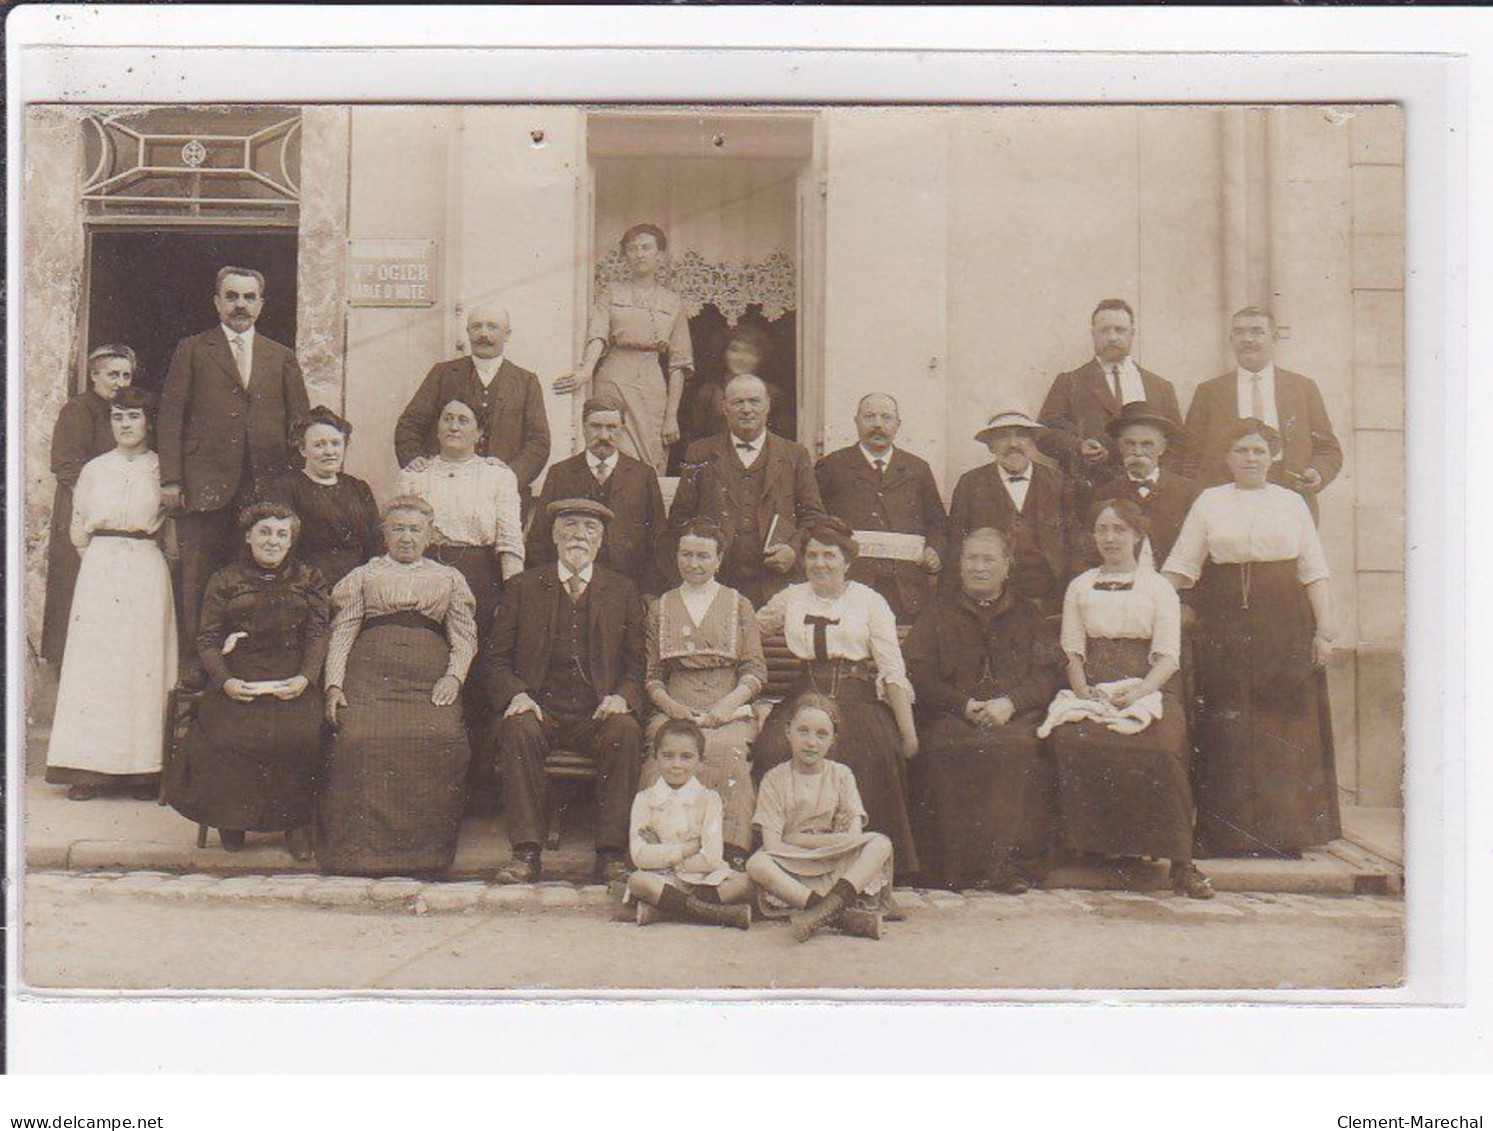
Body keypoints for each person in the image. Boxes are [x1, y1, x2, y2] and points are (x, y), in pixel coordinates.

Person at [1162, 418, 1342, 858]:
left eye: (1260, 451)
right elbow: (1181, 568)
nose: (1251, 459)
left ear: (1273, 456)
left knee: (1281, 723)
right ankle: (1225, 834)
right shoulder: (1209, 502)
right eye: (1242, 450)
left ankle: (1283, 834)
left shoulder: (1292, 502)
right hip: (1222, 621)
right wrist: (1146, 601)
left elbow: (1314, 570)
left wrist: (1326, 631)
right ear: (1227, 457)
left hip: (1284, 622)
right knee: (1227, 724)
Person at [1046, 500, 1214, 899]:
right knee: (1071, 739)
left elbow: (1169, 656)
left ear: (1137, 536)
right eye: (1102, 529)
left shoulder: (1157, 587)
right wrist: (1084, 689)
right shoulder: (1081, 585)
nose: (1109, 537)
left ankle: (1179, 862)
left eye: (1119, 529)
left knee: (1160, 748)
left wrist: (1139, 692)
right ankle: (1091, 849)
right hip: (1095, 683)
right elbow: (1072, 648)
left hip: (1150, 684)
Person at [157, 265, 310, 679]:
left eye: (248, 297)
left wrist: (291, 483)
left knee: (256, 578)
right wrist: (171, 479)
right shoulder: (192, 348)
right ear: (217, 302)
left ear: (261, 304)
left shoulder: (281, 356)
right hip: (203, 486)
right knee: (198, 579)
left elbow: (299, 424)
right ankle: (196, 671)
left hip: (263, 487)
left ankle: (251, 666)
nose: (240, 304)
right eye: (231, 296)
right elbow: (171, 415)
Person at [487, 499, 647, 886]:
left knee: (625, 733)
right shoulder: (523, 587)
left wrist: (622, 696)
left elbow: (636, 663)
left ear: (601, 540)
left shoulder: (622, 591)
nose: (579, 534)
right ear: (554, 535)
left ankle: (611, 855)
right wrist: (517, 695)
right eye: (570, 526)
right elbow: (496, 661)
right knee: (517, 729)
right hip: (542, 709)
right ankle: (526, 853)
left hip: (597, 713)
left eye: (590, 528)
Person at [317, 497, 478, 876]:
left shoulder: (449, 578)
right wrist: (335, 685)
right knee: (356, 738)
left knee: (441, 736)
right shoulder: (365, 576)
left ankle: (425, 854)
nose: (407, 538)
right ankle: (358, 852)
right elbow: (342, 632)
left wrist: (454, 676)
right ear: (385, 533)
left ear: (429, 535)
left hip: (428, 672)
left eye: (415, 530)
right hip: (370, 670)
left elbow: (465, 636)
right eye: (398, 529)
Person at [753, 518, 920, 877]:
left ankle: (867, 867)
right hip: (804, 694)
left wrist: (908, 733)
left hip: (856, 695)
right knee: (772, 750)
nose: (819, 564)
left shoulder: (869, 601)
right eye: (811, 555)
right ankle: (785, 858)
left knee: (876, 751)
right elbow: (747, 627)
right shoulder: (791, 598)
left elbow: (892, 668)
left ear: (847, 561)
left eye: (829, 556)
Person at [166, 502, 330, 860]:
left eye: (281, 534)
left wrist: (306, 678)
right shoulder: (225, 579)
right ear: (249, 536)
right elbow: (207, 639)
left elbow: (319, 633)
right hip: (240, 670)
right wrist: (225, 681)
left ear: (291, 541)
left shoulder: (309, 578)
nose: (273, 541)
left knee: (300, 734)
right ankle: (232, 819)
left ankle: (296, 824)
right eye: (265, 532)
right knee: (227, 734)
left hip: (293, 670)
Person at [903, 528, 1063, 894]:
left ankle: (1009, 867)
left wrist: (1011, 703)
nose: (978, 568)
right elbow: (919, 673)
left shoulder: (1027, 614)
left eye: (988, 560)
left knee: (1018, 749)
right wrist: (962, 705)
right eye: (971, 559)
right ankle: (951, 869)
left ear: (1006, 566)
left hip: (1013, 717)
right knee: (944, 748)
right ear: (960, 565)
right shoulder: (937, 612)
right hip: (951, 716)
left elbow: (1046, 676)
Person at [45, 387, 178, 801]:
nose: (125, 425)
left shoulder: (162, 469)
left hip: (144, 564)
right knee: (97, 663)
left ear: (148, 422)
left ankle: (143, 771)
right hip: (101, 567)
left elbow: (171, 531)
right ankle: (87, 769)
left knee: (143, 664)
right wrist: (99, 560)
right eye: (118, 417)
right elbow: (78, 523)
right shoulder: (94, 469)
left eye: (133, 417)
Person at [643, 517, 765, 867]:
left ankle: (730, 851)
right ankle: (663, 847)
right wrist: (673, 708)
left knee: (727, 752)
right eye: (686, 555)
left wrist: (726, 706)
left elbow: (755, 670)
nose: (694, 564)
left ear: (719, 559)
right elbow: (652, 676)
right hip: (676, 707)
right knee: (668, 752)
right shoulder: (661, 606)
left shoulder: (738, 603)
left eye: (703, 556)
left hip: (728, 706)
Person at [668, 374, 826, 607]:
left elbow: (814, 518)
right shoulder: (699, 453)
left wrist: (794, 551)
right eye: (737, 402)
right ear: (724, 408)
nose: (746, 409)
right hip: (716, 582)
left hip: (776, 584)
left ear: (768, 406)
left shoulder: (795, 454)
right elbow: (681, 517)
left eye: (754, 401)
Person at [746, 694, 893, 942]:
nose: (811, 742)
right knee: (757, 864)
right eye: (802, 731)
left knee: (881, 844)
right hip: (792, 865)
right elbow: (773, 846)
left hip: (834, 863)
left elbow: (852, 838)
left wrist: (796, 837)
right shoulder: (775, 778)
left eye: (821, 734)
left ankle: (822, 909)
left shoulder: (841, 775)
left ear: (833, 740)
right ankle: (836, 914)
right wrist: (818, 842)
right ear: (787, 731)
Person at [553, 224, 694, 474]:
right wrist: (586, 371)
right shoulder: (611, 293)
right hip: (614, 378)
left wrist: (671, 415)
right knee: (610, 450)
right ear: (626, 255)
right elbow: (597, 334)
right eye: (633, 248)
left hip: (652, 386)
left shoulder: (672, 302)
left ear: (659, 255)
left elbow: (679, 364)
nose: (639, 254)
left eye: (646, 248)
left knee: (651, 457)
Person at [1182, 305, 1344, 522]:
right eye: (1239, 332)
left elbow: (1328, 449)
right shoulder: (1209, 392)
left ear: (1275, 338)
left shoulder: (1302, 388)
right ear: (1231, 340)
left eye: (1257, 331)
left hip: (1289, 498)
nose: (1247, 339)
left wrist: (1317, 473)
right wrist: (1202, 501)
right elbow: (1190, 456)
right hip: (1226, 503)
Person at [394, 303, 551, 504]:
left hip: (500, 496)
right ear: (468, 332)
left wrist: (509, 477)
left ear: (507, 334)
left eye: (492, 327)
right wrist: (414, 459)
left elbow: (538, 442)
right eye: (477, 327)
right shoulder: (443, 374)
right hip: (443, 492)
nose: (483, 334)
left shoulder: (526, 382)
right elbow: (410, 424)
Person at [815, 392, 948, 624]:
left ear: (898, 424)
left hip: (906, 593)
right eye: (869, 416)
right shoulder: (832, 466)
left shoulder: (918, 469)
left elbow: (937, 523)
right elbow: (814, 522)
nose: (877, 424)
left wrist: (934, 550)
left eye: (886, 418)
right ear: (856, 421)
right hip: (850, 587)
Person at [41, 344, 135, 663]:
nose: (120, 382)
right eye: (112, 374)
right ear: (94, 375)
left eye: (126, 375)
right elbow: (67, 466)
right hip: (80, 513)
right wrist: (99, 501)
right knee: (74, 592)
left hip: (111, 517)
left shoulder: (125, 415)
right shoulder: (79, 409)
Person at [1037, 299, 1185, 495]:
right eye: (1104, 330)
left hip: (1149, 494)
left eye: (1120, 330)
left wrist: (1161, 484)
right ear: (1093, 334)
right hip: (1090, 494)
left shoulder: (1159, 387)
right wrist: (1078, 447)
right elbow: (1044, 434)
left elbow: (1177, 443)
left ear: (1132, 334)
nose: (1112, 337)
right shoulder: (1070, 382)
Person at [527, 395, 668, 594]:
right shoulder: (561, 473)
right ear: (583, 427)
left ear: (622, 429)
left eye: (611, 427)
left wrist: (648, 592)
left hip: (627, 589)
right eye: (595, 426)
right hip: (571, 589)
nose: (603, 435)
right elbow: (539, 539)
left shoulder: (642, 475)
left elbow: (658, 539)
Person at [626, 718, 755, 930]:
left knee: (745, 883)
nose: (676, 765)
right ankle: (715, 914)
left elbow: (712, 857)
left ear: (700, 760)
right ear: (655, 756)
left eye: (686, 757)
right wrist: (688, 849)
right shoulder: (644, 799)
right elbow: (639, 856)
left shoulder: (709, 799)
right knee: (637, 881)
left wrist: (666, 855)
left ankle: (663, 911)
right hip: (663, 879)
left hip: (704, 879)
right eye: (668, 756)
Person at [945, 410, 1076, 614]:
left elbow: (1074, 542)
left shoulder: (1058, 482)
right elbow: (955, 546)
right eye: (1003, 436)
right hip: (991, 600)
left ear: (1032, 441)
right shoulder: (970, 484)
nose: (1013, 443)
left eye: (1021, 435)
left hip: (1049, 597)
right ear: (990, 445)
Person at [264, 406, 381, 589]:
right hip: (308, 584)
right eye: (319, 445)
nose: (329, 451)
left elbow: (376, 542)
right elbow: (282, 547)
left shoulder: (358, 488)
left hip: (360, 583)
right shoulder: (287, 487)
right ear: (303, 449)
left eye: (336, 443)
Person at [1087, 402, 1201, 572]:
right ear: (1119, 446)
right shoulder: (1104, 494)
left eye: (1147, 444)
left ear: (1162, 447)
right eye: (1130, 444)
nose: (1138, 452)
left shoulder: (1188, 492)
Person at [682, 324, 795, 455]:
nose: (741, 358)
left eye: (750, 352)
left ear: (761, 358)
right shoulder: (709, 392)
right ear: (724, 352)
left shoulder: (773, 395)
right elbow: (696, 436)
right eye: (735, 350)